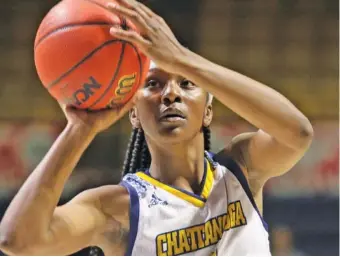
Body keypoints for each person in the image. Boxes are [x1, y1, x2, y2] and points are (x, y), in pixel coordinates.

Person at [0, 0, 313, 255]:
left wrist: (183, 58)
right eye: (153, 84)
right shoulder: (117, 209)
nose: (171, 93)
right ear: (133, 114)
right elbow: (17, 242)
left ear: (207, 112)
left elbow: (297, 133)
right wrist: (79, 129)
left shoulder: (242, 169)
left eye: (186, 83)